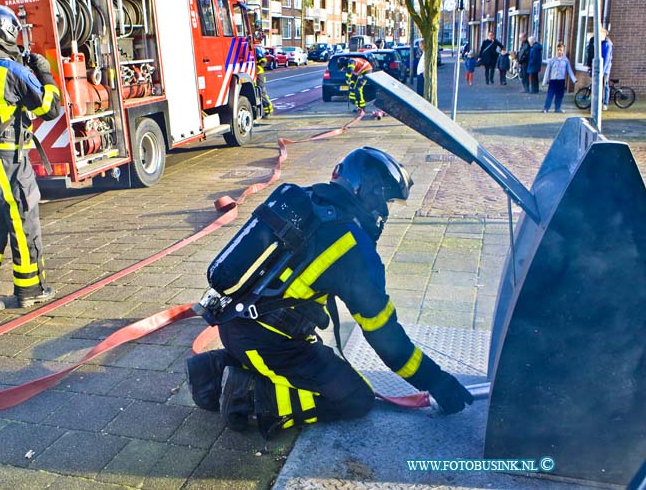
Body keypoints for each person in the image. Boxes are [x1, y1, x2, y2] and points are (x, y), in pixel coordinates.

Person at [186, 147, 474, 439]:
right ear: (370, 194)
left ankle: (214, 367)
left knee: (324, 370)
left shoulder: (307, 200)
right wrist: (437, 381)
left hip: (237, 325)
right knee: (355, 397)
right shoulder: (353, 248)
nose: (385, 212)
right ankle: (248, 397)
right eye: (385, 200)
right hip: (269, 343)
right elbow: (385, 337)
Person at [0, 4, 62, 311]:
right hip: (8, 160)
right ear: (7, 31)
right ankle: (31, 290)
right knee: (23, 221)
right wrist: (43, 71)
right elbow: (50, 108)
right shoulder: (10, 69)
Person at [542, 44, 576, 113]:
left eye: (561, 50)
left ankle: (558, 108)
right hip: (553, 80)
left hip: (561, 80)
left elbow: (569, 70)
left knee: (559, 95)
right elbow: (547, 71)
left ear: (563, 51)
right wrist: (544, 82)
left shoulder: (565, 60)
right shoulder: (552, 60)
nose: (559, 52)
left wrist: (574, 79)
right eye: (558, 50)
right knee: (550, 94)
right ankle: (546, 108)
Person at [255, 52, 273, 117]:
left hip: (260, 81)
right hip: (259, 81)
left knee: (263, 95)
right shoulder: (259, 66)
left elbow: (263, 62)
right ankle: (268, 111)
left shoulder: (259, 67)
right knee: (262, 95)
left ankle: (268, 111)